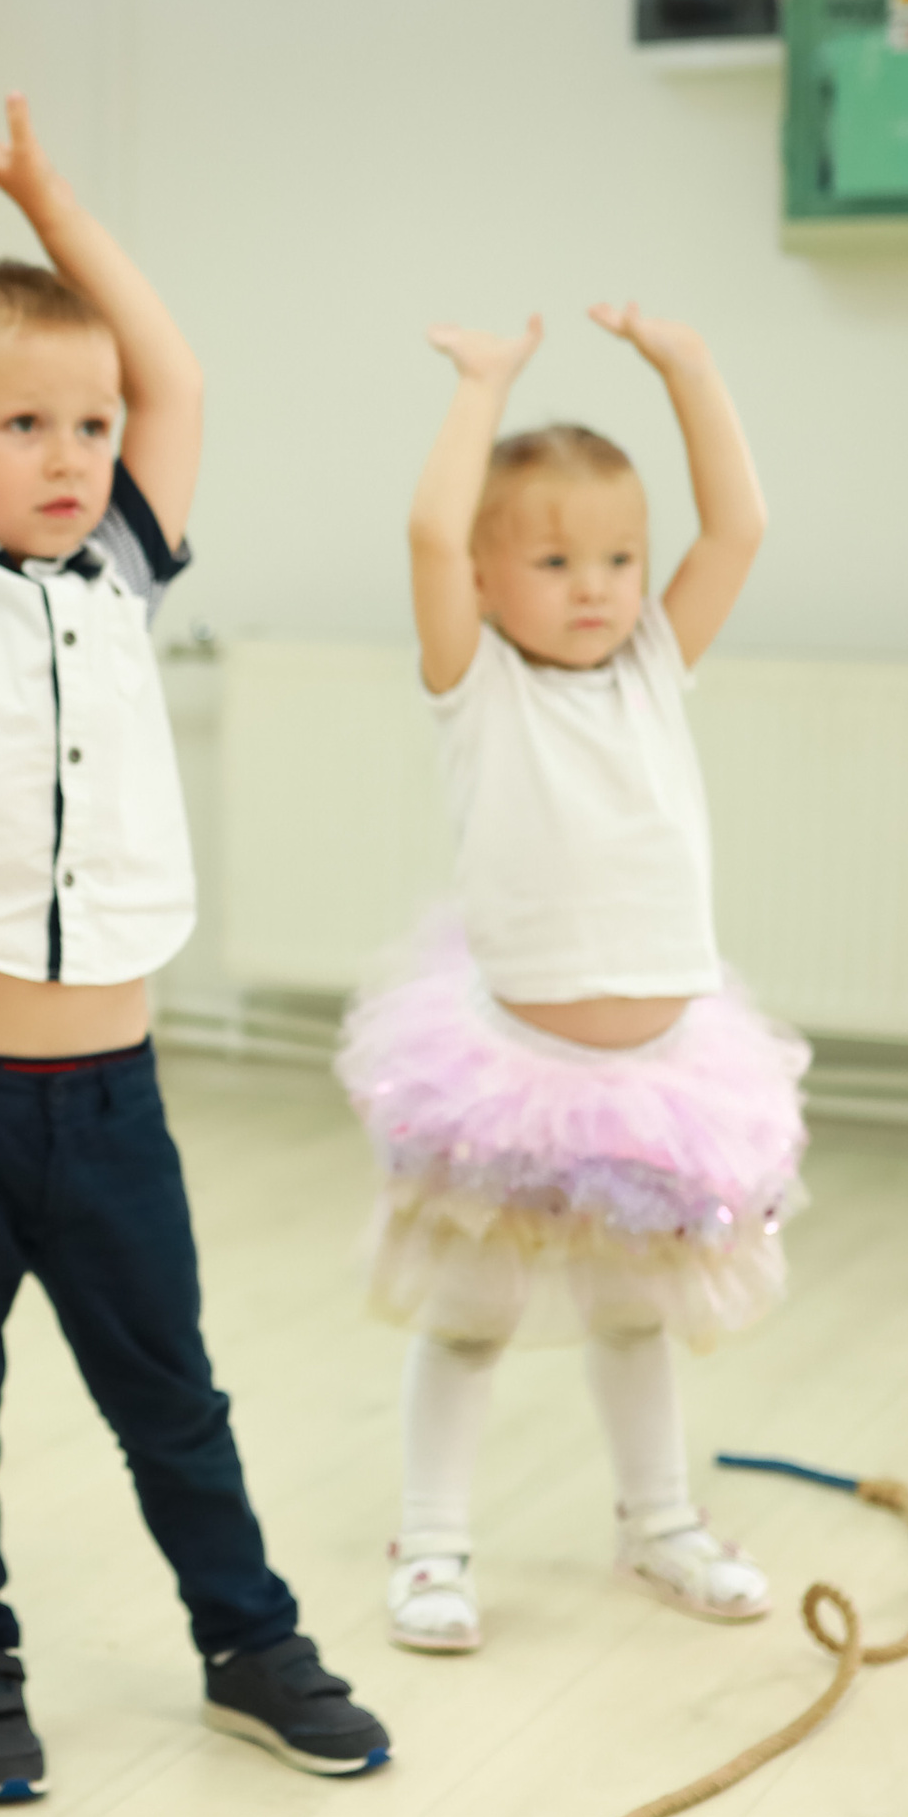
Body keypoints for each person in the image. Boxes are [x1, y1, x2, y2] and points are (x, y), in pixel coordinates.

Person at [0, 85, 391, 1803]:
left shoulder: (122, 573)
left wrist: (49, 191)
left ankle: (248, 1642)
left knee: (175, 1401)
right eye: (25, 426)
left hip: (110, 1105)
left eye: (89, 426)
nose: (75, 457)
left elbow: (180, 377)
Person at [337, 306, 805, 1653]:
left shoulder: (656, 664)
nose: (596, 585)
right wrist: (482, 390)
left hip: (660, 1083)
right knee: (473, 1314)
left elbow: (740, 530)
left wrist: (692, 371)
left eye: (617, 558)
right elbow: (430, 532)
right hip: (509, 1075)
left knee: (635, 1313)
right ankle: (431, 1546)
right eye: (553, 559)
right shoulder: (477, 685)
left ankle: (656, 1523)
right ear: (486, 581)